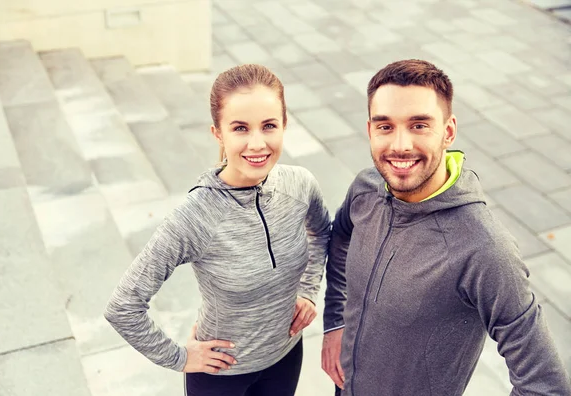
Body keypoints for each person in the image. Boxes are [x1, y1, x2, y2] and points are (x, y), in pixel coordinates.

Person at [321, 59, 571, 396]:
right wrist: (335, 320)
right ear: (370, 130)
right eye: (385, 126)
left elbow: (546, 385)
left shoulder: (483, 248)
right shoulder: (366, 188)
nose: (400, 145)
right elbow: (341, 238)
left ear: (448, 131)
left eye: (419, 125)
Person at [105, 64, 331, 396]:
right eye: (240, 128)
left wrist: (309, 291)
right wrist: (179, 357)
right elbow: (123, 307)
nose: (257, 143)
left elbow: (322, 232)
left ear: (284, 125)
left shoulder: (300, 185)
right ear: (218, 134)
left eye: (269, 126)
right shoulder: (195, 217)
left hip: (285, 358)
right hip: (221, 376)